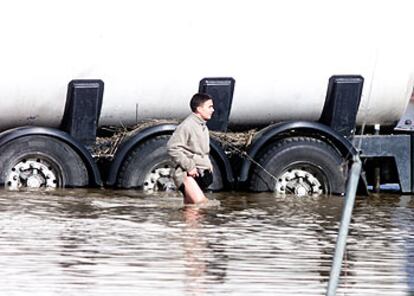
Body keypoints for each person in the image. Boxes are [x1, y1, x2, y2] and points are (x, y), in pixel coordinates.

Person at [167, 93, 215, 204]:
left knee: (191, 211)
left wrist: (208, 164)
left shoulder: (203, 126)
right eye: (210, 107)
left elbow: (201, 151)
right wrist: (189, 166)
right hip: (187, 175)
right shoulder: (187, 126)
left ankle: (181, 221)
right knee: (202, 204)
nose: (213, 110)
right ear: (199, 109)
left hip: (199, 175)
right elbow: (172, 148)